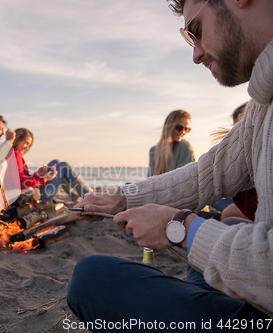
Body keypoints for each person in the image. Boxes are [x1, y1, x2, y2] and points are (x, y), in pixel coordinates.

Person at [67, 0, 273, 329]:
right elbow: (208, 175)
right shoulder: (263, 106)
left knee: (91, 279)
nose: (196, 54)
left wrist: (177, 229)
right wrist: (123, 198)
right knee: (214, 246)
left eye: (197, 31)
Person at [12, 128, 92, 202]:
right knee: (64, 166)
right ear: (18, 139)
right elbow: (22, 183)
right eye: (26, 143)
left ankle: (76, 195)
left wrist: (37, 174)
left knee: (56, 162)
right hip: (35, 197)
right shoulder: (16, 155)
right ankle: (89, 196)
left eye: (29, 145)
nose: (27, 148)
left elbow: (22, 179)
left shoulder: (13, 153)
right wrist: (45, 179)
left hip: (29, 192)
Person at [148, 110, 195, 177]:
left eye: (186, 129)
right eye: (179, 128)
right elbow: (149, 182)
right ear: (170, 127)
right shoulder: (153, 151)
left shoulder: (185, 146)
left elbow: (186, 182)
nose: (183, 132)